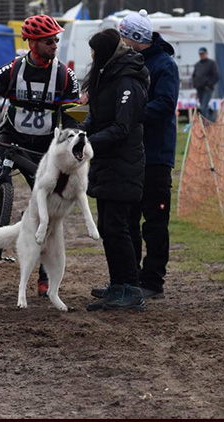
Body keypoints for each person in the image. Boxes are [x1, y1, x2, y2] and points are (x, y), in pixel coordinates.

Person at [0, 14, 80, 296]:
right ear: (33, 43)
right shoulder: (11, 70)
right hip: (11, 137)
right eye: (49, 41)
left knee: (48, 208)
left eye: (56, 40)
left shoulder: (65, 75)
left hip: (44, 147)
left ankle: (44, 274)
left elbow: (73, 116)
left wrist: (75, 141)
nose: (55, 45)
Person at [84, 28, 150, 312]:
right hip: (107, 162)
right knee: (107, 227)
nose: (91, 56)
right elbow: (98, 118)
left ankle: (131, 289)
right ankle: (118, 284)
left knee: (117, 226)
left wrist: (87, 143)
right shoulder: (108, 75)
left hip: (124, 162)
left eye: (93, 51)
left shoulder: (127, 80)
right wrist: (78, 133)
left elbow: (122, 127)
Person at [118, 9, 179, 299]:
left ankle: (153, 281)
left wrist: (131, 113)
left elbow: (165, 104)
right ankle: (128, 279)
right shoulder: (127, 62)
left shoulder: (164, 65)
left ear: (134, 38)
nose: (121, 42)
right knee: (127, 219)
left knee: (154, 221)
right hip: (130, 154)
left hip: (155, 156)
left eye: (124, 37)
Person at [192, 47, 219, 121]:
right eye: (200, 54)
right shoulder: (197, 65)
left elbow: (216, 76)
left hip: (207, 89)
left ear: (206, 54)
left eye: (203, 54)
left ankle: (208, 124)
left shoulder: (211, 63)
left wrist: (209, 85)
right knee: (203, 108)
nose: (202, 55)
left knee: (204, 107)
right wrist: (195, 85)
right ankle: (209, 122)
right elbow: (194, 76)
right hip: (199, 89)